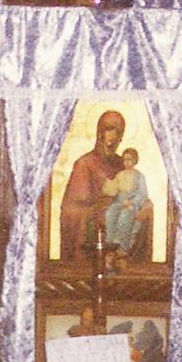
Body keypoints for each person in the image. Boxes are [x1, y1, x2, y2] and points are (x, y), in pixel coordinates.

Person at [59, 110, 124, 260]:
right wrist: (97, 208)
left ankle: (134, 264)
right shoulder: (84, 164)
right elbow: (71, 212)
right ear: (100, 132)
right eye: (109, 129)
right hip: (93, 228)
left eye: (118, 131)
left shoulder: (123, 165)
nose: (113, 136)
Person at [102, 146, 151, 256]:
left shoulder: (139, 176)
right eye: (125, 160)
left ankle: (123, 246)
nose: (127, 162)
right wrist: (108, 185)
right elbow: (114, 189)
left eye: (129, 160)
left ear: (135, 161)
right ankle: (111, 243)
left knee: (125, 215)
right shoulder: (120, 175)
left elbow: (142, 194)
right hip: (120, 202)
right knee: (110, 212)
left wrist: (132, 202)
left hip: (133, 204)